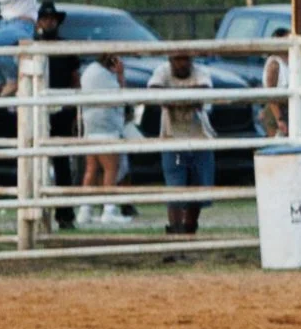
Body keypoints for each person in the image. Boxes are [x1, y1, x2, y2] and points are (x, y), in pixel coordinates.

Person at [145, 50, 216, 237]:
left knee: (198, 186)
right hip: (172, 137)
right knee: (175, 187)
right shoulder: (162, 71)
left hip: (199, 137)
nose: (182, 63)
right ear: (170, 59)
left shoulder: (200, 71)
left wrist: (172, 99)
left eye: (186, 59)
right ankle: (175, 230)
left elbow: (203, 93)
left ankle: (189, 230)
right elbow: (153, 91)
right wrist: (186, 99)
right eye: (178, 59)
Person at [34, 1, 81, 230]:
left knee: (62, 162)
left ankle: (65, 214)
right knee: (33, 159)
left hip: (61, 107)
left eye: (52, 18)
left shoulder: (66, 47)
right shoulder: (32, 46)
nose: (49, 22)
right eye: (45, 18)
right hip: (37, 107)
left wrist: (73, 106)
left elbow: (75, 78)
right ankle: (35, 210)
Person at [76, 51, 130, 226]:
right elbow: (120, 98)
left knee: (91, 170)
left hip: (91, 126)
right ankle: (109, 210)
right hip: (107, 126)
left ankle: (85, 211)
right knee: (110, 169)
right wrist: (120, 76)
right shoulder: (105, 76)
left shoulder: (89, 72)